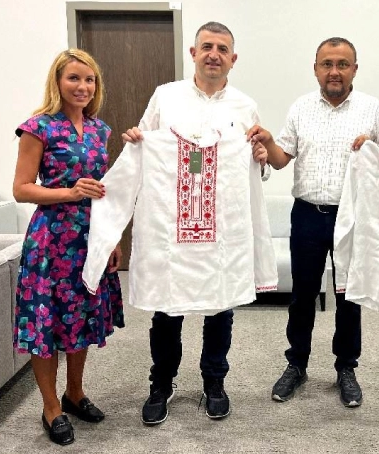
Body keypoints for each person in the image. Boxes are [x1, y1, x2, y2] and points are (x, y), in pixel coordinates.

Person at [122, 21, 269, 424]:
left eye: (222, 49)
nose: (213, 55)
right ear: (193, 53)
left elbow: (255, 166)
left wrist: (259, 159)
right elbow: (145, 145)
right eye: (207, 46)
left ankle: (214, 382)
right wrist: (137, 140)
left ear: (233, 59)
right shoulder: (165, 96)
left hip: (221, 231)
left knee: (220, 308)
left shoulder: (245, 106)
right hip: (171, 229)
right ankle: (161, 384)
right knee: (167, 309)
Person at [247, 37, 379, 408]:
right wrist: (268, 141)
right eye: (327, 64)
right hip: (307, 215)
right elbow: (281, 159)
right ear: (315, 69)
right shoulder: (301, 108)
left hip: (353, 217)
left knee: (349, 295)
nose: (334, 71)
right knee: (302, 295)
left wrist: (377, 150)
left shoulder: (373, 110)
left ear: (354, 69)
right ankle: (296, 364)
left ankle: (346, 368)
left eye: (342, 64)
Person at [12, 49, 124, 446]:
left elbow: (103, 191)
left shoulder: (99, 130)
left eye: (89, 79)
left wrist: (111, 239)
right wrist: (69, 192)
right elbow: (22, 189)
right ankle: (50, 407)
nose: (83, 86)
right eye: (74, 78)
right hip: (51, 240)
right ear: (57, 83)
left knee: (80, 319)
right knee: (46, 322)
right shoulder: (38, 127)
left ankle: (74, 394)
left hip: (90, 238)